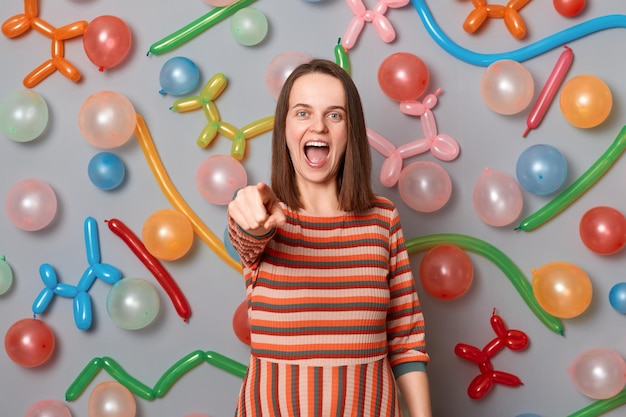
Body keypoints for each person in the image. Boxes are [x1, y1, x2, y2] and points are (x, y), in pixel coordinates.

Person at [227, 58, 432, 417]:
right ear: (285, 127)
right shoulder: (263, 213)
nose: (318, 126)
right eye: (303, 113)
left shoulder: (382, 220)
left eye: (334, 115)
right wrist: (251, 221)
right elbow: (246, 238)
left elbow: (406, 341)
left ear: (349, 130)